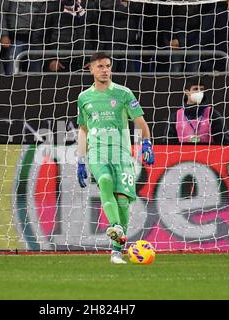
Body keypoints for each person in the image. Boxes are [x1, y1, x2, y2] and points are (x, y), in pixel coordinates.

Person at [76, 52, 155, 264]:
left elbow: (140, 122)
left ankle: (116, 251)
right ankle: (116, 227)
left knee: (122, 201)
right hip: (97, 151)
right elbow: (83, 129)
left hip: (121, 153)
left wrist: (146, 143)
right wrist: (81, 159)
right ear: (91, 69)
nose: (105, 70)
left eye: (108, 66)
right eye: (100, 66)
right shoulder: (84, 97)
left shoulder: (123, 93)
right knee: (104, 181)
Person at [165, 78, 229, 144]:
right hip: (183, 157)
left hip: (209, 156)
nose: (199, 92)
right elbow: (167, 143)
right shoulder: (175, 116)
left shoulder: (213, 114)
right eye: (195, 89)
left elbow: (225, 141)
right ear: (187, 92)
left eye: (201, 89)